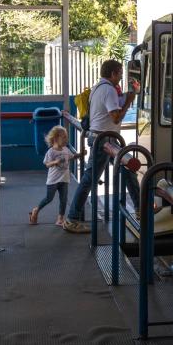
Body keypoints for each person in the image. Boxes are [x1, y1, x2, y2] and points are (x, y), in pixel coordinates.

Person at [63, 59, 139, 233]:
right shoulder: (109, 90)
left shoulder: (98, 88)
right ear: (113, 74)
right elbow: (116, 117)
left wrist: (128, 95)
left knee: (127, 169)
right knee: (90, 178)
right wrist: (129, 101)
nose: (121, 76)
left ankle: (140, 207)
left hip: (102, 138)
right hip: (104, 140)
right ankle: (72, 218)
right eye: (120, 73)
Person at [29, 126, 80, 227]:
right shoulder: (51, 151)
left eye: (66, 137)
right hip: (53, 179)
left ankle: (60, 219)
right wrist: (56, 162)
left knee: (64, 199)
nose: (66, 140)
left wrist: (81, 154)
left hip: (64, 178)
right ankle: (36, 210)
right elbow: (47, 164)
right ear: (56, 138)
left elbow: (72, 157)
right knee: (49, 198)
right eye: (64, 137)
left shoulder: (66, 149)